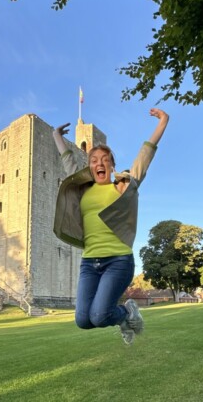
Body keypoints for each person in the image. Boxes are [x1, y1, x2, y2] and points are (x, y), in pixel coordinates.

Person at [52, 108, 170, 344]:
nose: (100, 163)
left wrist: (163, 123)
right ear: (90, 166)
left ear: (112, 165)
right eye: (94, 160)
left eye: (105, 160)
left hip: (118, 260)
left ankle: (126, 313)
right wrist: (57, 136)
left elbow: (144, 157)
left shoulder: (122, 186)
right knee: (83, 321)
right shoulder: (83, 188)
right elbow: (69, 163)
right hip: (89, 262)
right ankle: (125, 318)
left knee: (99, 315)